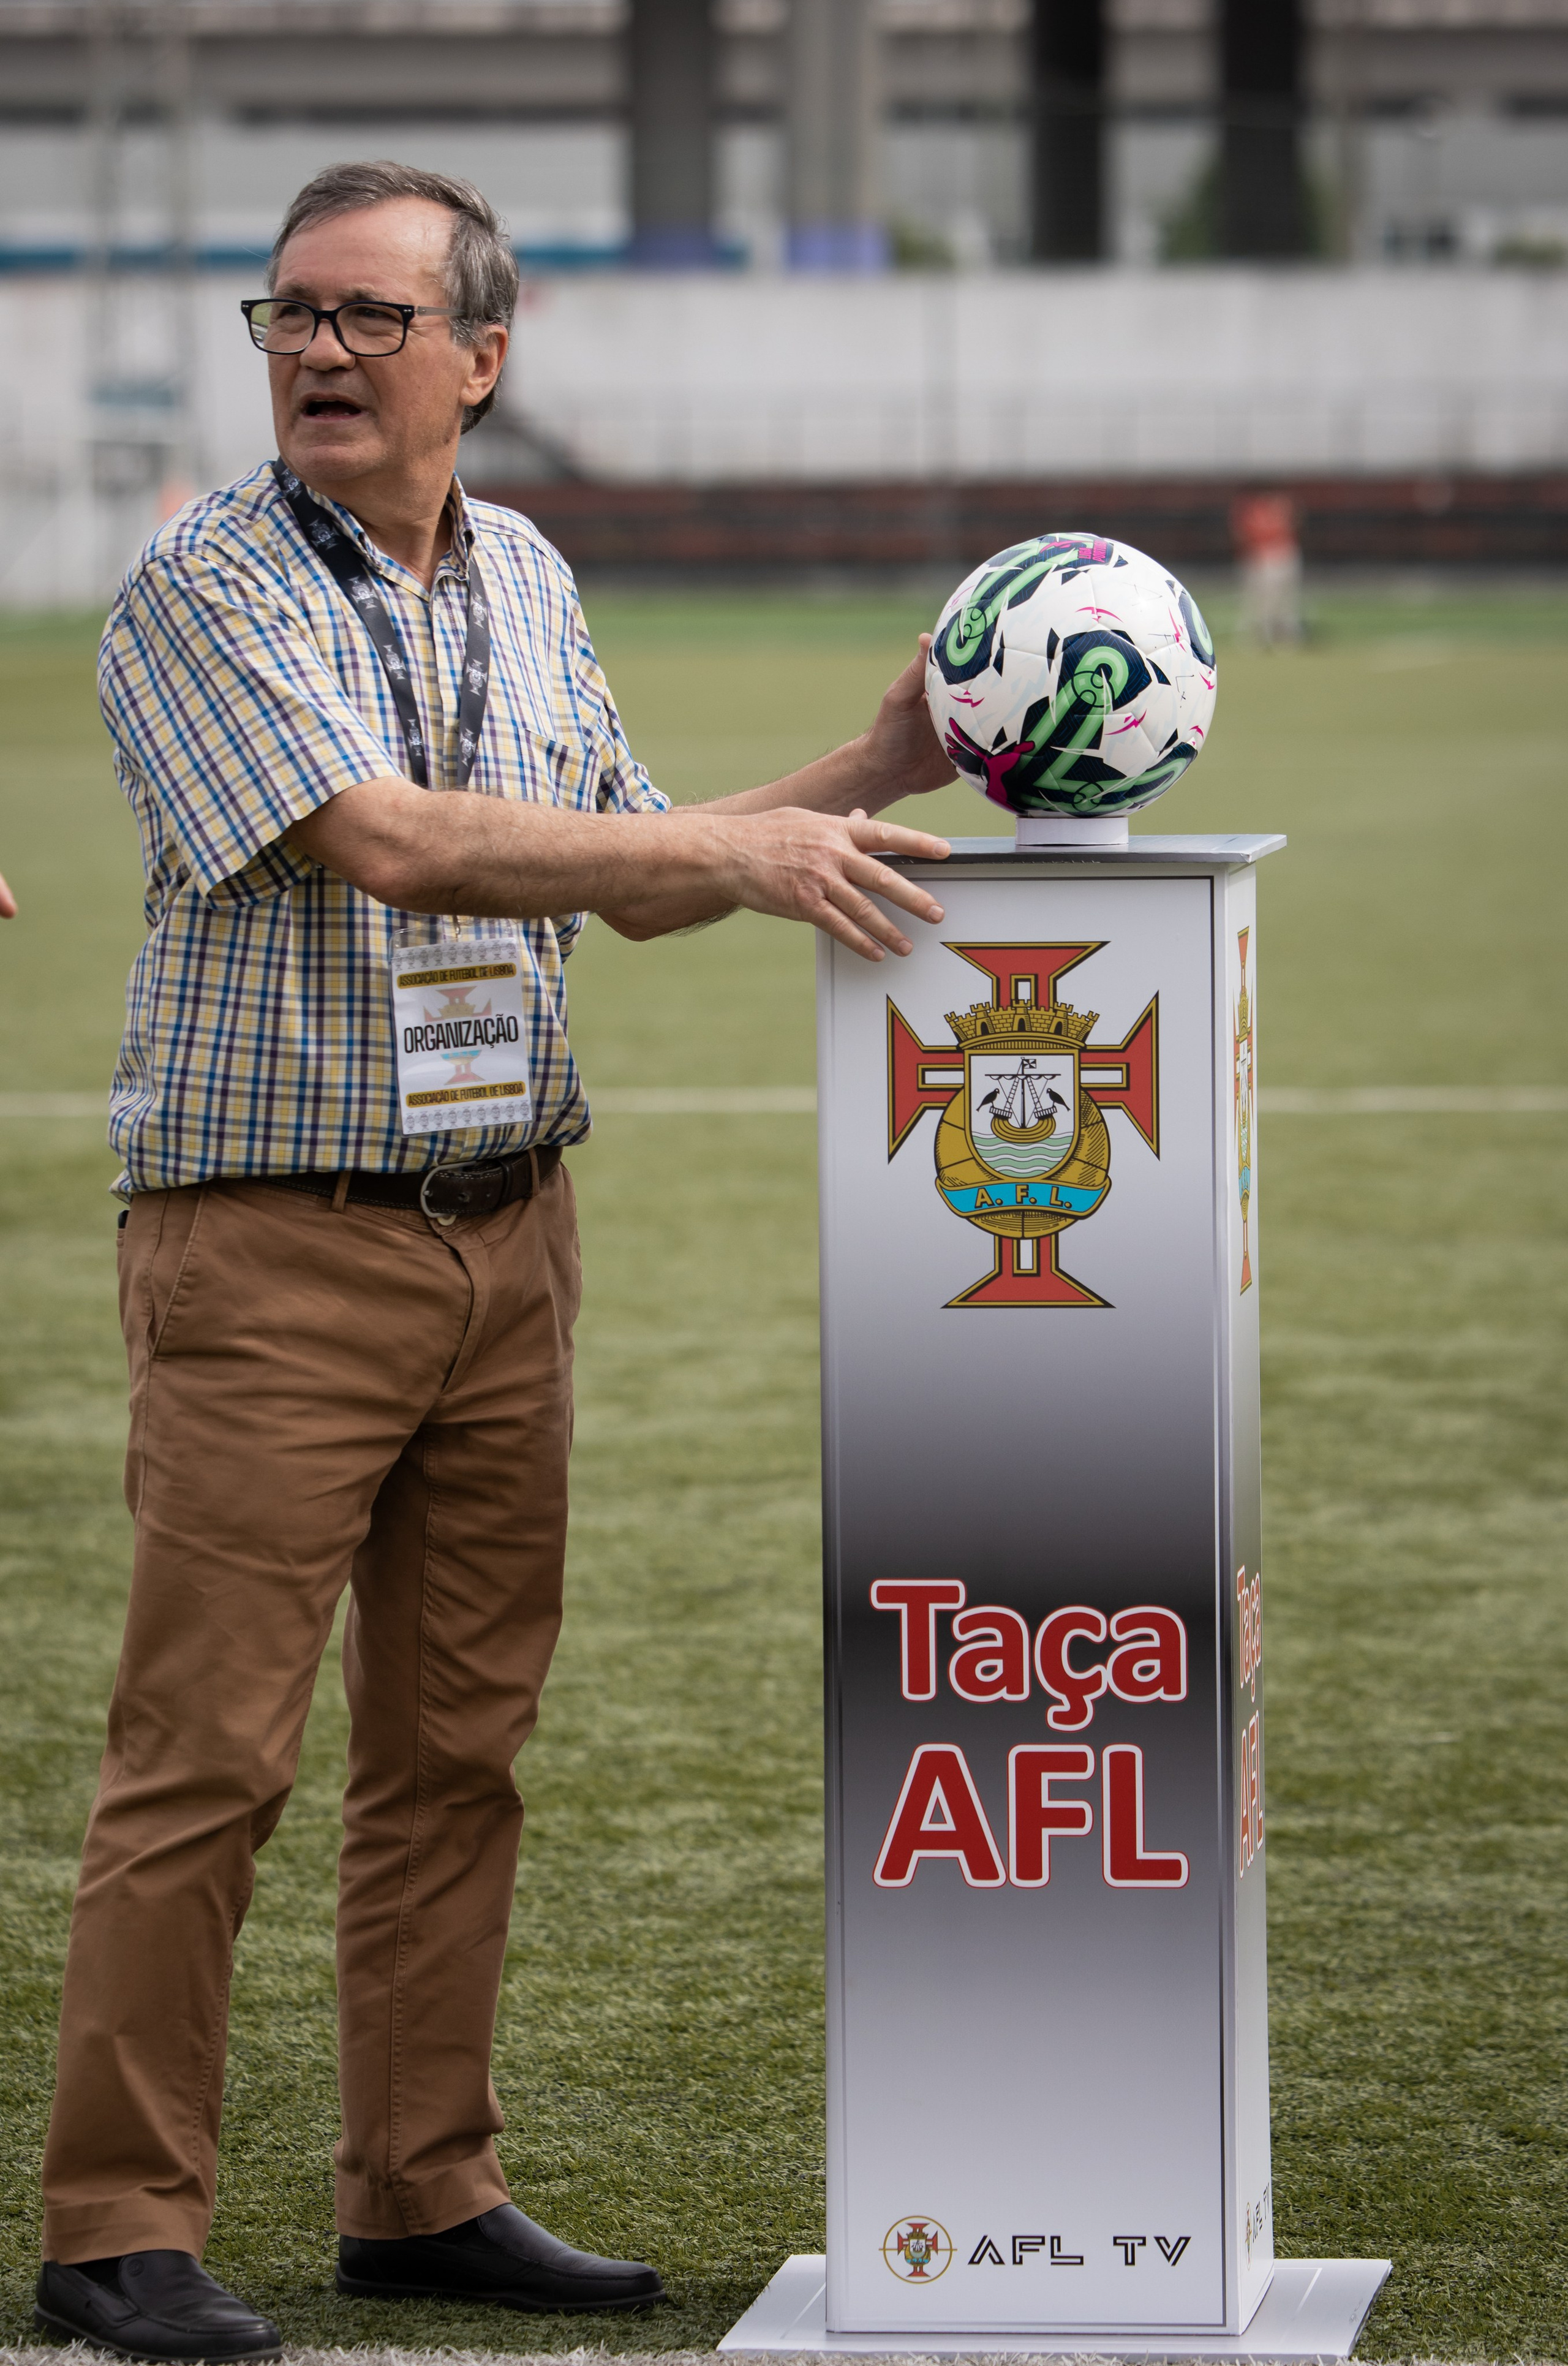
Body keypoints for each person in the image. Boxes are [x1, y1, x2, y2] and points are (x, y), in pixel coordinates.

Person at [34, 161, 953, 2364]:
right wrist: (732, 839)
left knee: (460, 1754)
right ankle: (109, 2225)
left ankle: (419, 2190)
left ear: (483, 356)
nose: (321, 353)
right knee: (207, 1760)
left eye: (368, 317)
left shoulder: (527, 572)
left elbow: (626, 877)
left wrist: (878, 760)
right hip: (275, 1256)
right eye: (290, 316)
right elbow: (401, 840)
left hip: (508, 1236)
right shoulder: (200, 586)